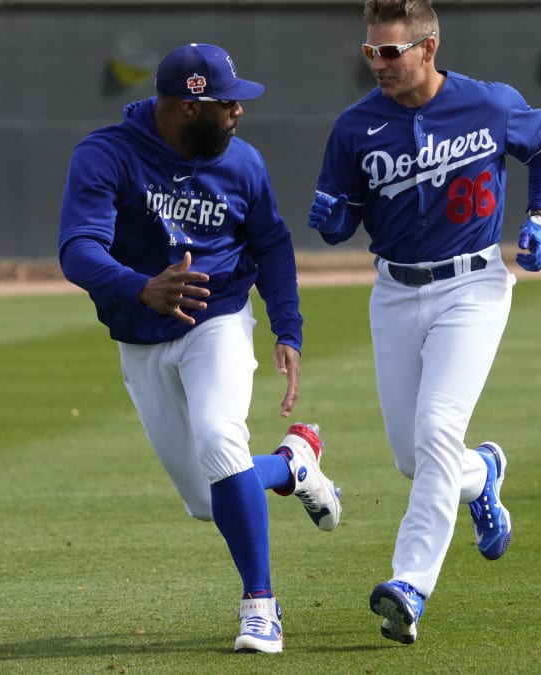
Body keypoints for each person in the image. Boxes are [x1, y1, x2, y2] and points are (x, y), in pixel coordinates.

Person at [57, 42, 342, 655]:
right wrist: (140, 287)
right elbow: (76, 249)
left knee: (220, 439)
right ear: (189, 106)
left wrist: (286, 328)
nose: (239, 112)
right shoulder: (107, 155)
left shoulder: (243, 165)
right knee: (205, 500)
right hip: (141, 336)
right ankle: (294, 465)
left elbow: (272, 244)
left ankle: (261, 607)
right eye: (227, 103)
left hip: (218, 320)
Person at [307, 0, 541, 645]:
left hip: (474, 286)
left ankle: (410, 584)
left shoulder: (488, 104)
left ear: (427, 48)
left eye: (390, 52)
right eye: (370, 52)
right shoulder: (354, 126)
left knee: (436, 428)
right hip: (394, 291)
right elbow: (340, 216)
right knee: (414, 457)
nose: (378, 64)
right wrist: (333, 218)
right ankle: (483, 474)